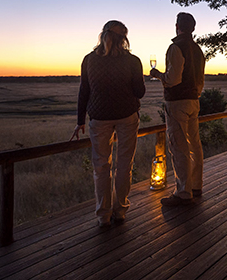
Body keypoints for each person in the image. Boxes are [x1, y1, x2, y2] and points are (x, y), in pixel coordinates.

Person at [71, 20, 146, 227]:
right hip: (128, 116)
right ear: (124, 39)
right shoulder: (133, 61)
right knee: (124, 165)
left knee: (101, 166)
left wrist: (80, 121)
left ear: (103, 35)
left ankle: (103, 215)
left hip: (99, 118)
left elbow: (84, 91)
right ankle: (120, 211)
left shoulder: (89, 60)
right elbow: (139, 92)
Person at [149, 12, 206, 206]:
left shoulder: (175, 47)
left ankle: (183, 192)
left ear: (177, 26)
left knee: (179, 146)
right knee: (195, 145)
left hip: (177, 103)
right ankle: (196, 185)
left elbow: (173, 79)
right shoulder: (198, 50)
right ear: (193, 28)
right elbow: (200, 80)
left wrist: (158, 75)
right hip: (193, 101)